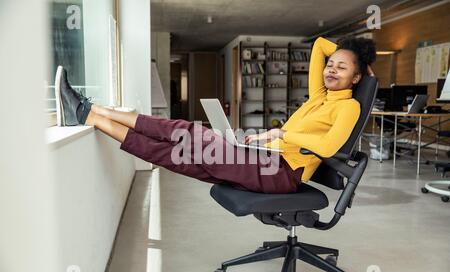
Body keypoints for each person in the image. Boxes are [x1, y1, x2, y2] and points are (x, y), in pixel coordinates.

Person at [55, 36, 376, 194]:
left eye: (342, 67)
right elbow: (320, 45)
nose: (331, 69)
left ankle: (88, 111)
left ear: (357, 77)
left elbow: (332, 147)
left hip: (283, 173)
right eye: (331, 65)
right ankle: (90, 115)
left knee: (189, 133)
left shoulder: (349, 106)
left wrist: (279, 134)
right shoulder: (320, 95)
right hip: (268, 158)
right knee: (176, 154)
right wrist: (352, 54)